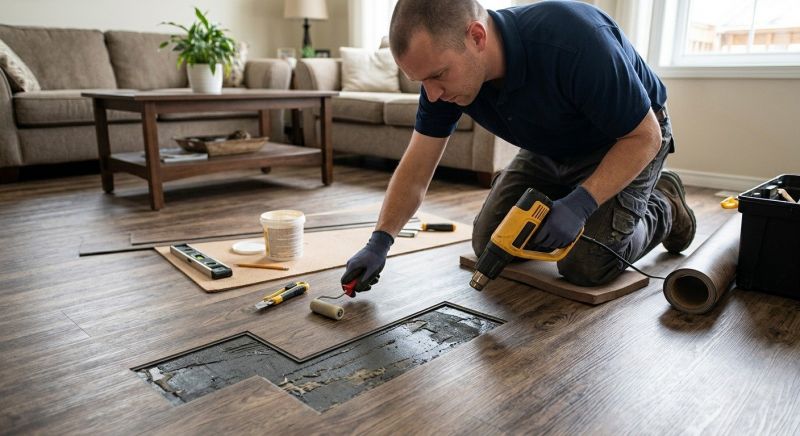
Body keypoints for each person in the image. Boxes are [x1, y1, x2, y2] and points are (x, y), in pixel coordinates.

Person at [340, 0, 696, 293]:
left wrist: (581, 203)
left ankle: (665, 203)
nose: (432, 94)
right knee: (489, 244)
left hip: (623, 140)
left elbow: (645, 136)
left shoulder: (574, 40)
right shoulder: (441, 82)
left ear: (476, 36)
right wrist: (380, 241)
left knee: (585, 264)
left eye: (437, 75)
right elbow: (417, 168)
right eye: (421, 81)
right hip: (550, 147)